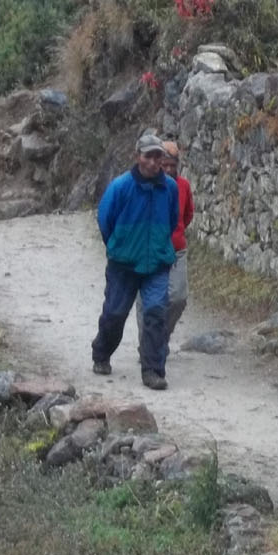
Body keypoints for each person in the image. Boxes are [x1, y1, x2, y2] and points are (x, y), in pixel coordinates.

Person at [91, 130, 179, 391]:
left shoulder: (170, 188)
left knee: (155, 314)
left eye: (157, 157)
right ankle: (101, 353)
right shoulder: (120, 187)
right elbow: (105, 220)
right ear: (137, 156)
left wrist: (160, 244)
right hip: (123, 264)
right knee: (115, 313)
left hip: (157, 264)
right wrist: (119, 246)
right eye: (147, 156)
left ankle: (153, 370)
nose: (152, 163)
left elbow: (174, 219)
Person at [136, 139, 194, 351]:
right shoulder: (146, 183)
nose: (169, 169)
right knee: (147, 301)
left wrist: (175, 232)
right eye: (166, 164)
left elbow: (187, 215)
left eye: (173, 165)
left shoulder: (184, 187)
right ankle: (147, 346)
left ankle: (160, 337)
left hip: (176, 250)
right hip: (149, 251)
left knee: (178, 298)